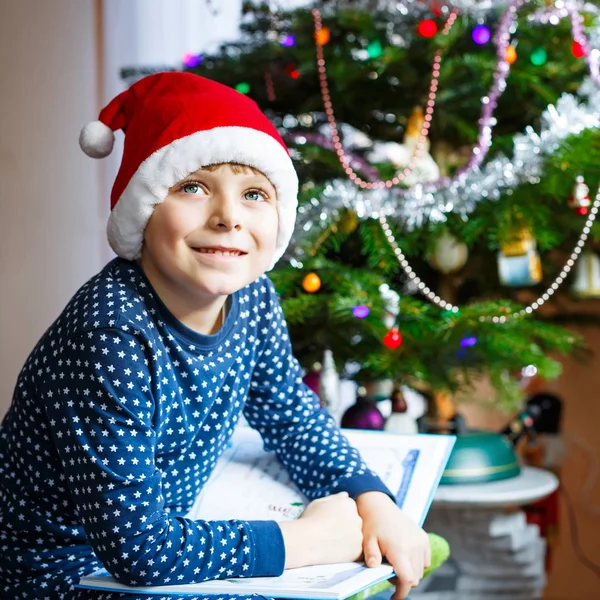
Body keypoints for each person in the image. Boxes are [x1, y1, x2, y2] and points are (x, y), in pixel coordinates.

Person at [0, 72, 430, 600]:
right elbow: (140, 551)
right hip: (64, 573)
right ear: (145, 208)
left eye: (253, 194)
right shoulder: (110, 333)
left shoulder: (252, 297)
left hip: (164, 536)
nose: (228, 217)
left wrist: (369, 497)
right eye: (194, 187)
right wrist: (305, 541)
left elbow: (288, 411)